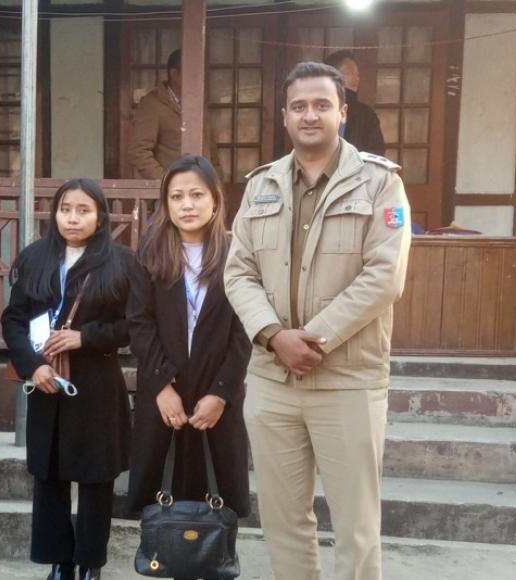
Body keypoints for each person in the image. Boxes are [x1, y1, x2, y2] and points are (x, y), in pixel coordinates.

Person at [223, 62, 411, 580]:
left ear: (342, 113)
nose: (311, 115)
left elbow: (384, 276)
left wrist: (313, 340)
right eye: (300, 106)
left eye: (322, 105)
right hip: (271, 381)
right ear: (285, 116)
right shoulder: (261, 186)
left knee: (355, 527)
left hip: (347, 382)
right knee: (284, 523)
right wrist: (273, 337)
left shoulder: (380, 184)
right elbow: (237, 272)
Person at [1, 179, 135, 580]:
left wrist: (86, 336)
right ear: (54, 213)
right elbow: (13, 320)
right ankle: (60, 562)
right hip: (47, 384)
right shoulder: (35, 259)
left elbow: (134, 325)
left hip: (96, 385)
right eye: (65, 209)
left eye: (83, 210)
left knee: (97, 479)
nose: (72, 218)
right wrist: (32, 365)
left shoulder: (122, 262)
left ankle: (89, 562)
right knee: (51, 478)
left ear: (100, 216)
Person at [126, 154, 252, 579]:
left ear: (216, 201)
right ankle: (166, 564)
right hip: (165, 391)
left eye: (197, 194)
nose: (187, 205)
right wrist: (162, 386)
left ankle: (212, 564)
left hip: (217, 394)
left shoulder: (236, 254)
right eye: (176, 196)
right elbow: (139, 324)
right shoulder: (150, 252)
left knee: (214, 492)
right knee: (166, 492)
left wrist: (221, 392)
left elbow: (244, 331)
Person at [130, 49, 220, 180]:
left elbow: (211, 150)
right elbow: (139, 151)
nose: (199, 77)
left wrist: (216, 180)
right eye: (193, 73)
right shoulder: (152, 104)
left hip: (203, 188)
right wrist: (166, 181)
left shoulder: (198, 104)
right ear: (174, 74)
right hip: (170, 194)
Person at [324, 51, 386, 156]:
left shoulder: (366, 114)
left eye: (357, 74)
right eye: (349, 73)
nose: (356, 78)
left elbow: (376, 152)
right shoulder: (317, 109)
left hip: (359, 171)